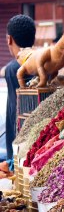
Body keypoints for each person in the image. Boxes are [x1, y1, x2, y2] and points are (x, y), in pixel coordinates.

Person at [0, 14, 35, 178]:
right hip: (36, 145)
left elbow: (15, 111)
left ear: (9, 39)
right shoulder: (42, 63)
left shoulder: (13, 68)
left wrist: (12, 158)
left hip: (20, 151)